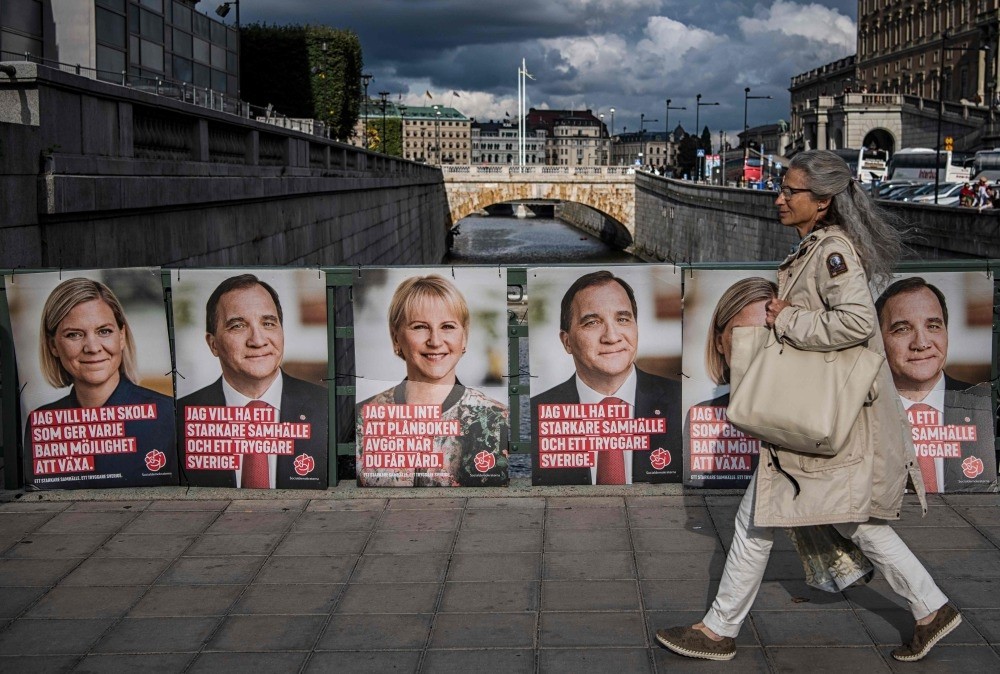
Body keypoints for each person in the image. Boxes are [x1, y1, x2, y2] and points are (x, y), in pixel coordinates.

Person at [657, 150, 960, 663]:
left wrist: (786, 319)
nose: (779, 198)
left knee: (767, 522)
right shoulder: (818, 247)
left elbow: (858, 323)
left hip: (822, 418)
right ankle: (931, 609)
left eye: (789, 191)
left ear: (821, 201)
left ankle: (719, 631)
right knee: (843, 519)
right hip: (821, 416)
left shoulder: (832, 251)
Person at [691, 276, 874, 592]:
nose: (760, 347)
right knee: (758, 526)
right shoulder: (709, 409)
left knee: (856, 524)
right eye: (744, 335)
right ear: (719, 341)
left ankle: (927, 603)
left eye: (769, 335)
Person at [356, 274, 509, 487]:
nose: (435, 341)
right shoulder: (364, 417)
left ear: (464, 336)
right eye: (420, 327)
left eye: (447, 326)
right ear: (396, 338)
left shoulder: (495, 419)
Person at [530, 270, 681, 486]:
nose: (612, 337)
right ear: (567, 342)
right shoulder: (535, 418)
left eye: (622, 319)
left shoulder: (683, 405)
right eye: (592, 322)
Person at [178, 274, 328, 489]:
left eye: (268, 323)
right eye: (238, 326)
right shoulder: (180, 418)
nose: (257, 341)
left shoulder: (327, 407)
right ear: (213, 344)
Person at [26, 277, 177, 488]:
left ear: (121, 336)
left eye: (104, 331)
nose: (93, 347)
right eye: (74, 334)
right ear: (53, 345)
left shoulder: (168, 414)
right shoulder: (41, 424)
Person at [876, 277, 996, 493]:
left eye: (933, 326)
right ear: (879, 341)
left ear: (946, 332)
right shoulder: (858, 414)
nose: (921, 343)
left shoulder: (983, 407)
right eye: (902, 329)